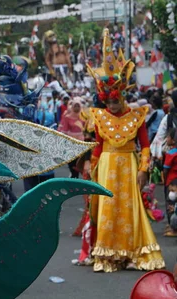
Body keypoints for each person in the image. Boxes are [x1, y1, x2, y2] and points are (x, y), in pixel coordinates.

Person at [87, 29, 165, 273]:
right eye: (108, 101)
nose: (112, 105)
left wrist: (144, 170)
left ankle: (132, 253)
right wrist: (92, 170)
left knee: (130, 208)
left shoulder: (136, 116)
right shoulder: (99, 118)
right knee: (108, 208)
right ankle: (109, 255)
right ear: (104, 100)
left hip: (129, 166)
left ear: (122, 96)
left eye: (115, 100)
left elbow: (144, 146)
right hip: (108, 167)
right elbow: (98, 147)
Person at [58, 97, 85, 178]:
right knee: (72, 162)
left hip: (82, 142)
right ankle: (74, 177)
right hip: (71, 142)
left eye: (78, 106)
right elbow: (65, 130)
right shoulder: (67, 117)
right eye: (75, 106)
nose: (76, 108)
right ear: (72, 106)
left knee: (80, 162)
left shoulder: (84, 117)